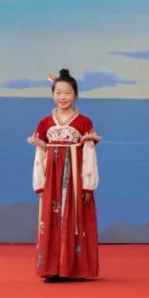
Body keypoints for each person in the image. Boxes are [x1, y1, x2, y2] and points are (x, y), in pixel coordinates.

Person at [29, 68, 100, 281]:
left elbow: (89, 154)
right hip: (52, 179)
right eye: (58, 93)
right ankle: (52, 269)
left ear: (75, 95)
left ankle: (74, 269)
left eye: (67, 93)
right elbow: (39, 155)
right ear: (52, 94)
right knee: (52, 221)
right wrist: (40, 183)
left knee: (74, 219)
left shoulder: (84, 122)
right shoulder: (45, 122)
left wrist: (88, 185)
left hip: (76, 180)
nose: (62, 97)